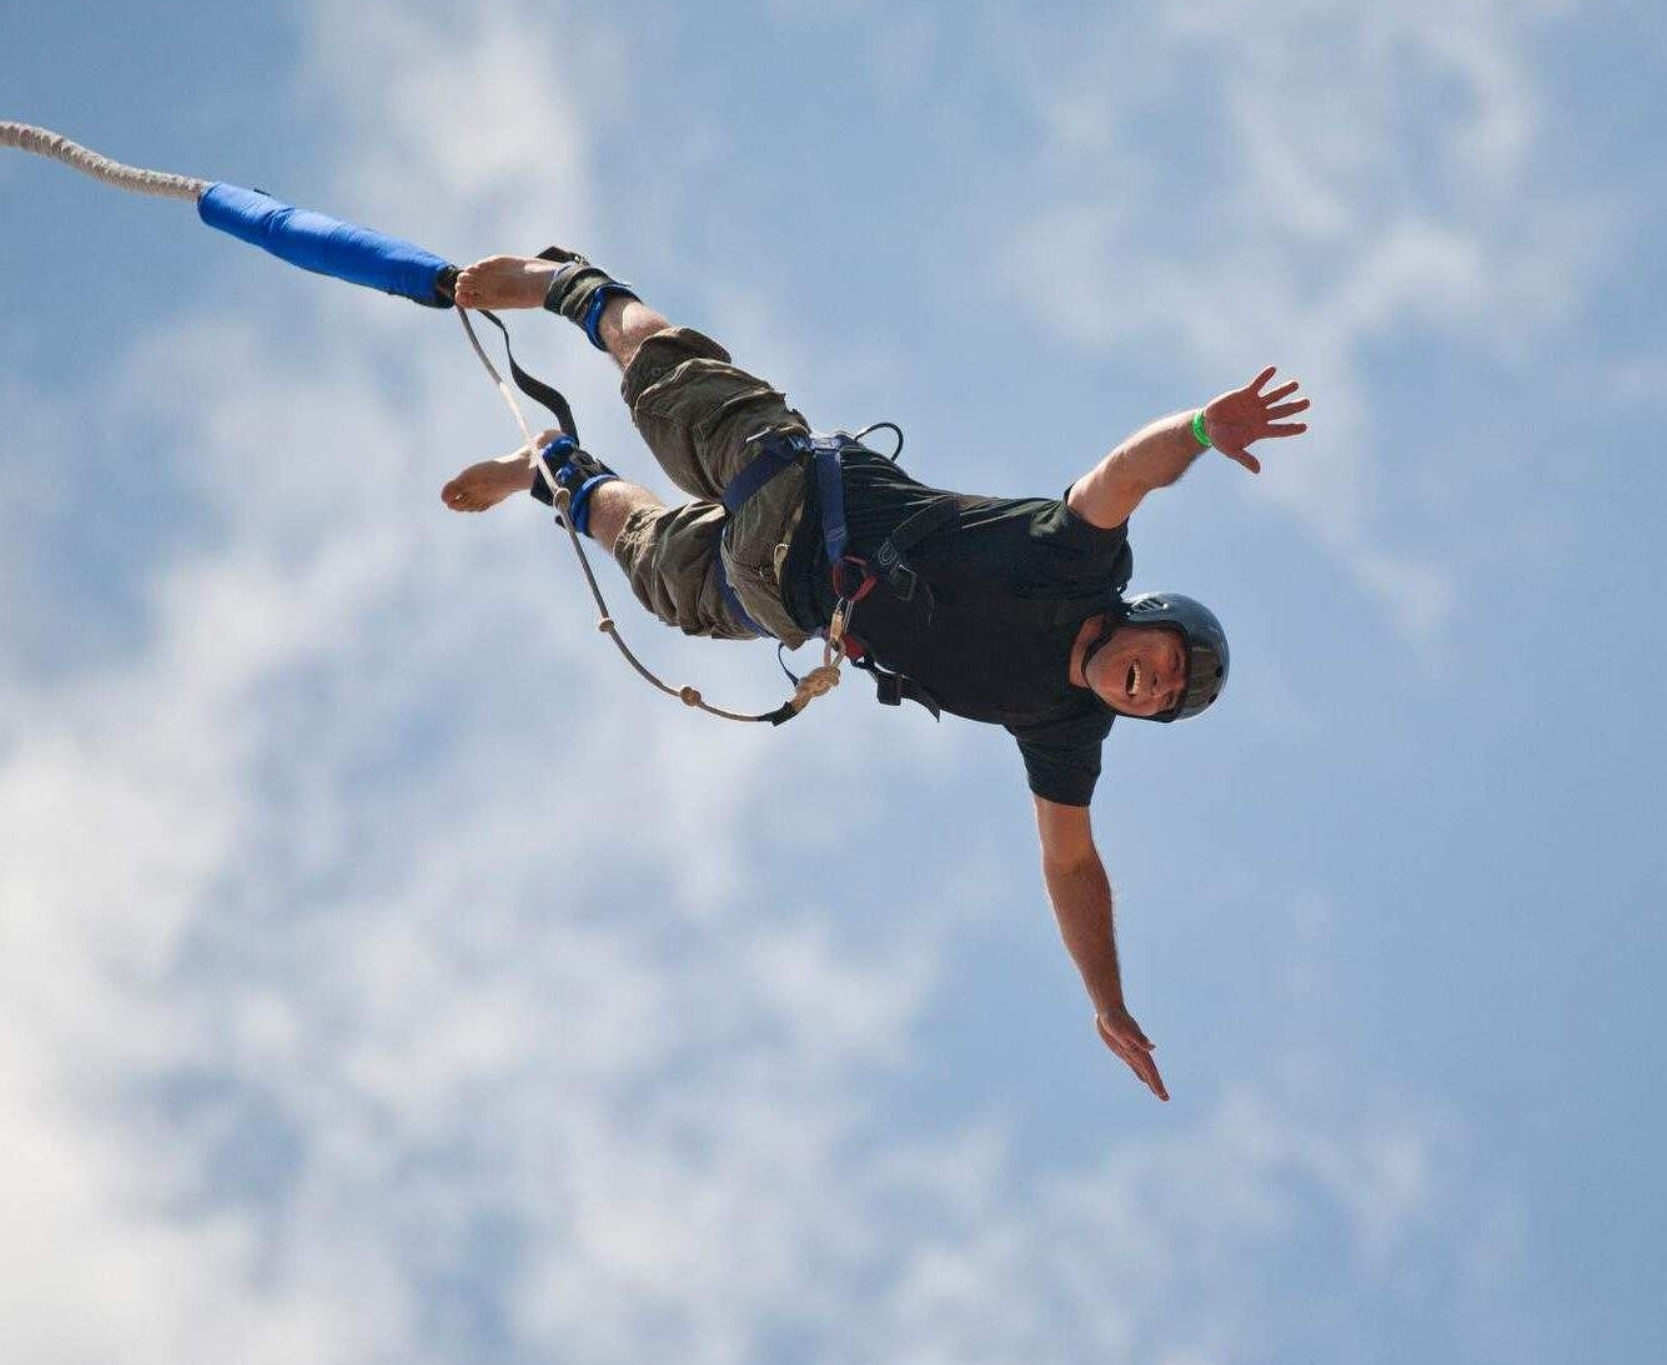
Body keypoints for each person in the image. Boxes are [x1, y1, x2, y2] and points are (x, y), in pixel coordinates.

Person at [441, 252, 1308, 1101]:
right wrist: (1200, 429)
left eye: (1163, 699)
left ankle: (553, 469)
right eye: (1163, 663)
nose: (1153, 685)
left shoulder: (1063, 725)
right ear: (1142, 618)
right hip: (797, 491)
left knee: (659, 578)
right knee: (663, 378)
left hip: (783, 599)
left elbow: (1072, 862)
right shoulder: (1074, 561)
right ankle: (569, 286)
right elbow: (1126, 475)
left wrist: (1108, 1002)